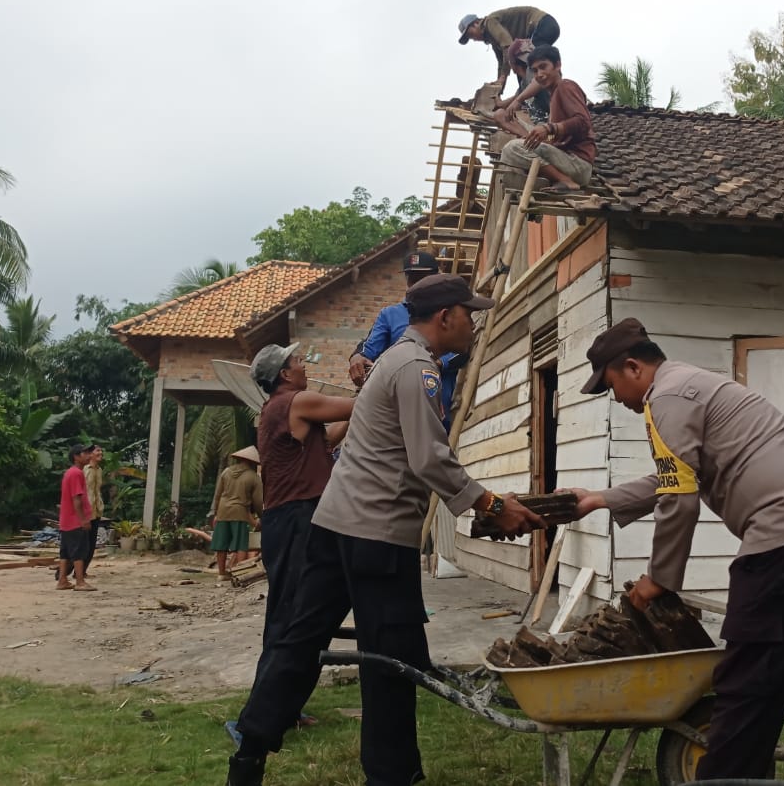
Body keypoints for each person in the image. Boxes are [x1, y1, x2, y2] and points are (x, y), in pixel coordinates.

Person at [226, 274, 545, 786]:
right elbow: (429, 458)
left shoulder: (397, 360)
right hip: (376, 532)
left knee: (299, 639)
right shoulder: (417, 367)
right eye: (469, 313)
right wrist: (489, 504)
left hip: (333, 523)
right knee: (392, 659)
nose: (474, 321)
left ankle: (249, 752)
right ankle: (394, 776)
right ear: (445, 317)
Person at [567, 318, 784, 786]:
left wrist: (658, 579)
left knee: (747, 685)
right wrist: (600, 498)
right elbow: (677, 477)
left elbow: (679, 497)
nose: (617, 398)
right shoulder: (696, 384)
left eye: (611, 386)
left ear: (632, 367)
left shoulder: (665, 400)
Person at [224, 342, 355, 745]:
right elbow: (352, 406)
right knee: (291, 617)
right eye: (298, 362)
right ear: (283, 374)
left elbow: (331, 435)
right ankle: (258, 719)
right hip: (297, 518)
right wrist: (373, 379)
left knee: (302, 614)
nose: (304, 366)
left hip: (298, 518)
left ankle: (284, 707)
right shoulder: (294, 402)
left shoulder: (288, 413)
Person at [348, 251, 464, 431]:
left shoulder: (450, 312)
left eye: (423, 278)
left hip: (439, 412)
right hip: (398, 416)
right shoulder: (390, 315)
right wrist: (357, 357)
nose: (416, 284)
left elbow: (464, 350)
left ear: (436, 278)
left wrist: (439, 363)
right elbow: (368, 348)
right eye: (412, 278)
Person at [497, 44, 596, 193]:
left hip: (578, 164)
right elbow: (554, 138)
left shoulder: (565, 86)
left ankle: (565, 180)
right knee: (504, 124)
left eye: (543, 67)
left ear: (557, 65)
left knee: (512, 148)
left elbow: (583, 122)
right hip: (566, 159)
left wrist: (549, 128)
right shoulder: (554, 95)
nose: (539, 74)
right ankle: (551, 178)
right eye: (535, 70)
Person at [457, 6, 559, 93]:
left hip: (543, 24)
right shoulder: (493, 39)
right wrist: (498, 88)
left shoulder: (489, 22)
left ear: (476, 23)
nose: (474, 39)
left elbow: (507, 46)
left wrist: (503, 78)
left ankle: (547, 94)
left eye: (471, 34)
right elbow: (502, 63)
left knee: (532, 63)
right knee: (523, 64)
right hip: (541, 30)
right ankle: (532, 99)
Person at [209, 446, 264, 580]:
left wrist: (215, 513)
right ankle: (239, 573)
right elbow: (258, 501)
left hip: (223, 511)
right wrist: (263, 517)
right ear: (253, 462)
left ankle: (221, 574)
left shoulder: (226, 472)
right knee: (241, 544)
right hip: (239, 512)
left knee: (221, 543)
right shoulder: (253, 477)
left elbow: (217, 495)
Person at [55, 444, 96, 592]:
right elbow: (77, 499)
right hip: (74, 521)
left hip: (66, 520)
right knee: (79, 551)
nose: (88, 455)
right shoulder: (76, 474)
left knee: (65, 552)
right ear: (76, 457)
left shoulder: (69, 473)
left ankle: (62, 580)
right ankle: (80, 581)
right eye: (85, 453)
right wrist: (83, 519)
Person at [493, 38, 551, 122]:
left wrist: (518, 100)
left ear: (512, 65)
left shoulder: (531, 71)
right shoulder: (524, 84)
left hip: (551, 119)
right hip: (543, 120)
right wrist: (499, 103)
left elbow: (537, 83)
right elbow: (516, 97)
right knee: (501, 115)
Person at [82, 444, 105, 573]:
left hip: (96, 510)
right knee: (83, 543)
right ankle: (69, 571)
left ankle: (83, 571)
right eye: (98, 450)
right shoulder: (84, 469)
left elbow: (97, 490)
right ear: (90, 454)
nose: (100, 453)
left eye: (101, 451)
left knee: (91, 544)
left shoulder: (100, 470)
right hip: (86, 511)